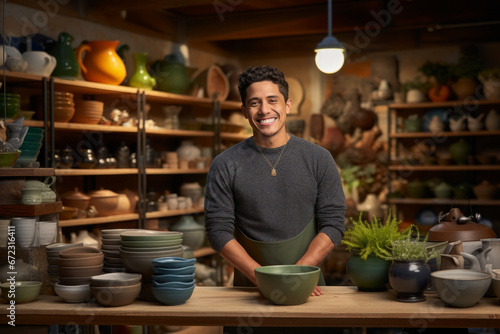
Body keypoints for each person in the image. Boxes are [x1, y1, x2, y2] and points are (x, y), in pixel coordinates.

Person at [204, 65, 346, 297]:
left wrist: (299, 273)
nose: (264, 110)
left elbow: (334, 223)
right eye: (254, 103)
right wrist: (261, 278)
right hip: (249, 291)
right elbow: (218, 231)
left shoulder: (319, 158)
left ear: (287, 105)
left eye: (272, 100)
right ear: (244, 110)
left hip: (306, 283)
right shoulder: (225, 164)